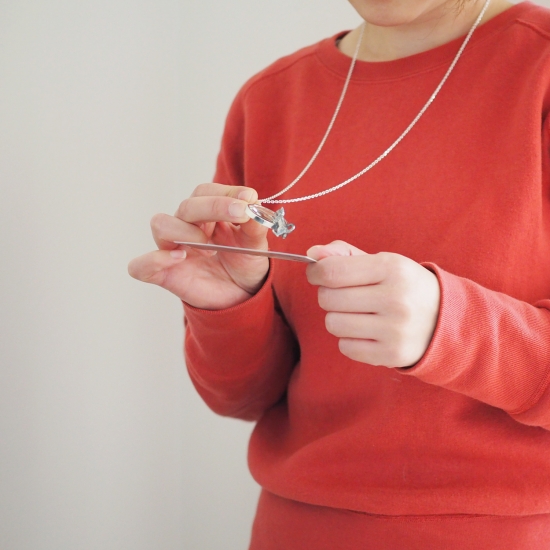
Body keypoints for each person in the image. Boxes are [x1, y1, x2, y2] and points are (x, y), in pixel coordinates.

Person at [128, 0, 550, 546]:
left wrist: (450, 328)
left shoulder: (536, 69)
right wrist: (234, 306)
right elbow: (243, 399)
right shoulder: (270, 101)